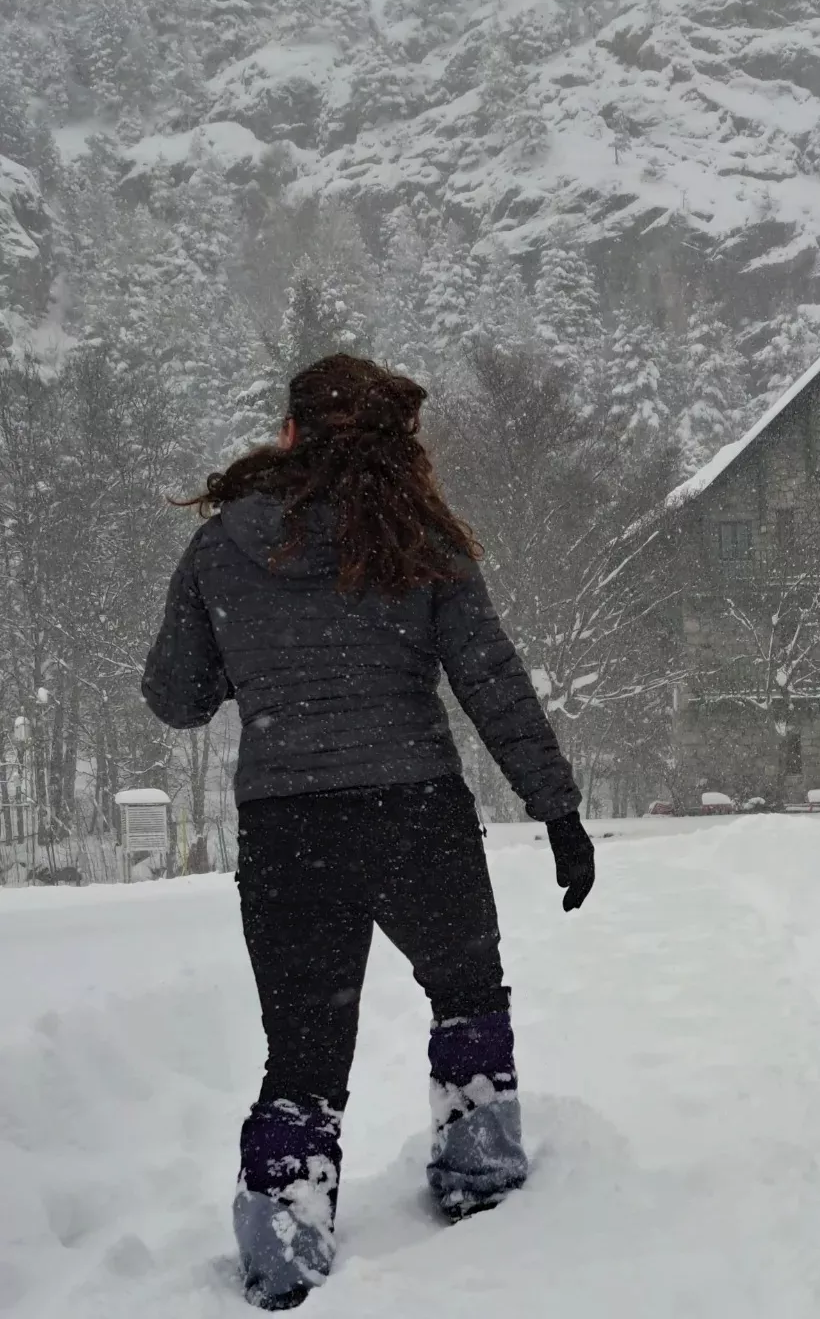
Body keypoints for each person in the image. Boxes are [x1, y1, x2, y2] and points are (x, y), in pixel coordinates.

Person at [142, 353, 594, 1311]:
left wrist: (255, 657)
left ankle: (281, 1253)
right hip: (414, 815)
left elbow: (175, 697)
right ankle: (483, 1185)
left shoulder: (225, 546)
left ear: (292, 432)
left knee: (302, 1051)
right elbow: (491, 680)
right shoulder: (418, 537)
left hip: (287, 826)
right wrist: (556, 807)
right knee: (466, 994)